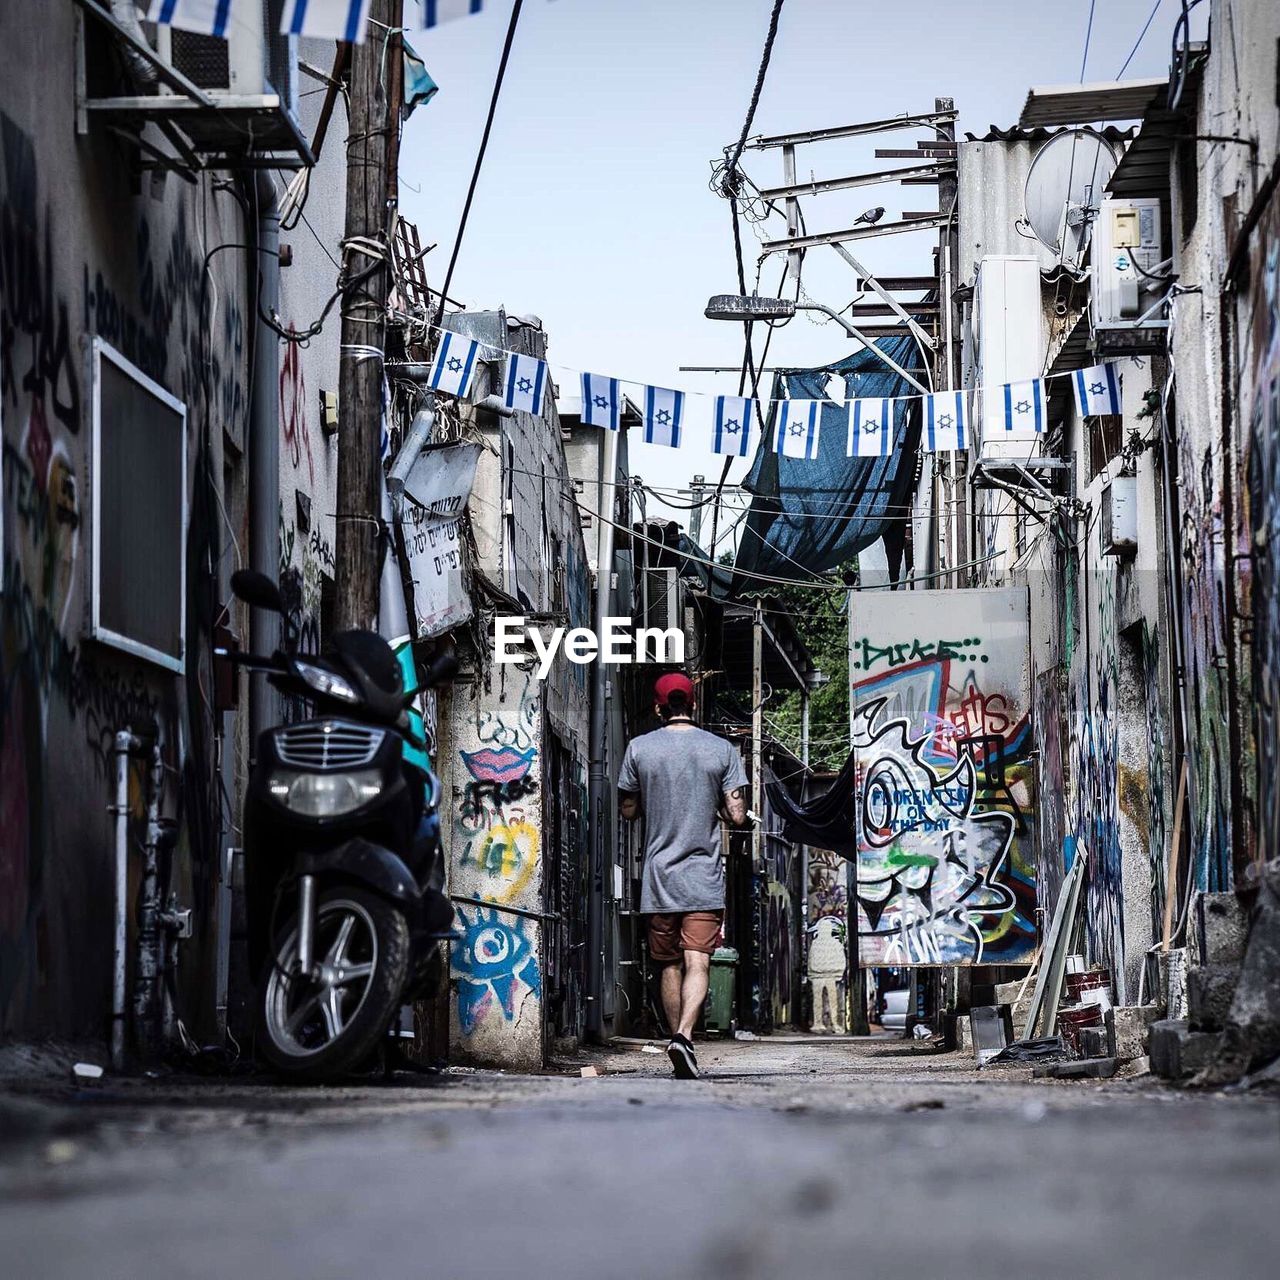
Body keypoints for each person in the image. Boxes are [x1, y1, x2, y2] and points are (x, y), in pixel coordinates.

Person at [618, 672, 748, 1078]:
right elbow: (738, 815)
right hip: (703, 877)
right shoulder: (722, 750)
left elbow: (627, 810)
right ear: (692, 704)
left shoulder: (639, 749)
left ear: (659, 707)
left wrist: (653, 801)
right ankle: (685, 1038)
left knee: (668, 963)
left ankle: (676, 1035)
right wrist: (719, 807)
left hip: (659, 877)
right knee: (699, 960)